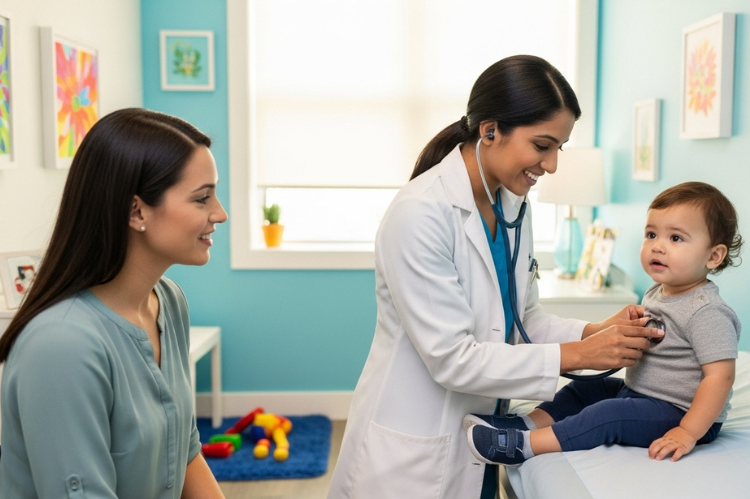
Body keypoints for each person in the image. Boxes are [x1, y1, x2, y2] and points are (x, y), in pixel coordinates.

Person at [327, 55, 662, 499]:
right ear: (490, 131)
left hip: (481, 434)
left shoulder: (512, 205)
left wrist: (596, 331)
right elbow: (452, 359)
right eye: (542, 145)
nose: (552, 165)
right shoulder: (419, 215)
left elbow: (520, 320)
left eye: (559, 148)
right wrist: (579, 353)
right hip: (416, 450)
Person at [0, 108, 228, 499]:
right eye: (202, 198)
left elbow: (186, 452)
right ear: (136, 210)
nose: (219, 214)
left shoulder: (168, 303)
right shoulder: (61, 346)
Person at [466, 181, 742, 467]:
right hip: (641, 395)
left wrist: (688, 431)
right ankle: (525, 424)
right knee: (586, 390)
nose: (657, 246)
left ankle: (524, 446)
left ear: (713, 256)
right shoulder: (657, 292)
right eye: (651, 234)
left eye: (676, 239)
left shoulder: (707, 311)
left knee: (608, 415)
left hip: (681, 412)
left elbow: (720, 378)